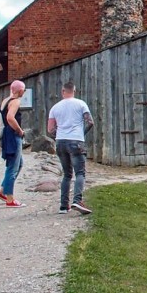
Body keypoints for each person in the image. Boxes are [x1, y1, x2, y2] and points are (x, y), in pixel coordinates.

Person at [48, 81, 94, 215]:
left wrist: (59, 136)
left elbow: (50, 129)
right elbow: (90, 122)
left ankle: (63, 206)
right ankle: (77, 200)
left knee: (67, 174)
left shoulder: (55, 107)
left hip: (60, 142)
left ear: (63, 91)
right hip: (76, 141)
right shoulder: (81, 104)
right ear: (74, 91)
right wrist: (81, 134)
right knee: (80, 173)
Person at [0, 80, 27, 207]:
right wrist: (19, 130)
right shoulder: (15, 102)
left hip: (6, 134)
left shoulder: (5, 100)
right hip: (13, 135)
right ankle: (10, 199)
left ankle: (2, 191)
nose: (24, 92)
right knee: (13, 167)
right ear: (20, 90)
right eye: (23, 90)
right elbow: (10, 117)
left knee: (19, 163)